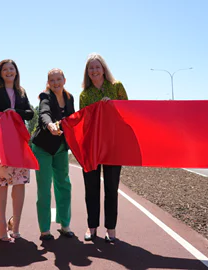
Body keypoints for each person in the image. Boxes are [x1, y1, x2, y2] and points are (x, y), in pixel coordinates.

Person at [79, 53, 128, 243]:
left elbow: (128, 111)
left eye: (97, 67)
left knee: (111, 188)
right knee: (91, 188)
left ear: (104, 68)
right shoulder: (85, 94)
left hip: (113, 145)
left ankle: (111, 228)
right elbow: (83, 121)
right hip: (92, 146)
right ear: (87, 72)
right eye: (91, 68)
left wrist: (112, 105)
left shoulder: (116, 87)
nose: (94, 71)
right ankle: (92, 227)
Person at [0, 59, 34, 242]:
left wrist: (13, 111)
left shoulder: (21, 91)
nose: (9, 71)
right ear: (0, 72)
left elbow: (30, 113)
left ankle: (17, 226)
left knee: (19, 181)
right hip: (0, 142)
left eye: (11, 68)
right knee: (1, 182)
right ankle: (2, 223)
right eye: (5, 69)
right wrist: (3, 113)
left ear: (16, 72)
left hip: (19, 142)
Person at [31, 68, 75, 240]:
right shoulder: (45, 96)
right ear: (48, 82)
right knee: (44, 188)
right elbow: (44, 114)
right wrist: (50, 125)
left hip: (61, 147)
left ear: (64, 79)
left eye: (59, 79)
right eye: (52, 80)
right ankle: (44, 229)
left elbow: (72, 119)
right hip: (43, 146)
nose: (56, 83)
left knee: (64, 185)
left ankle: (65, 225)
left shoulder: (70, 98)